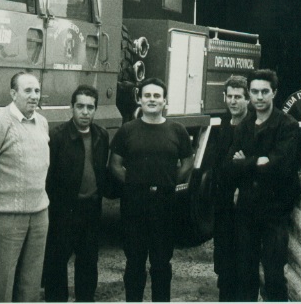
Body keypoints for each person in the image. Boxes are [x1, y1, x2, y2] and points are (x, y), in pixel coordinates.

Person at [109, 77, 194, 302]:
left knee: (161, 263)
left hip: (165, 204)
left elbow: (187, 161)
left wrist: (169, 181)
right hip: (134, 205)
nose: (152, 100)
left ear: (165, 100)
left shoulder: (177, 130)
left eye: (157, 96)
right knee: (134, 262)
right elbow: (115, 164)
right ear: (140, 99)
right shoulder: (127, 130)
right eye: (147, 95)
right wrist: (134, 182)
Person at [224, 69, 301, 301]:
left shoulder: (287, 126)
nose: (258, 97)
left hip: (274, 212)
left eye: (264, 92)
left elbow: (280, 167)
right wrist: (259, 161)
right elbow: (229, 167)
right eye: (254, 92)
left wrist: (245, 161)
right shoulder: (244, 125)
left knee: (274, 276)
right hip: (246, 211)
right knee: (246, 275)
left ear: (274, 93)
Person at [0, 71, 50, 302]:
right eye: (27, 90)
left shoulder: (42, 122)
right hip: (5, 214)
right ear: (13, 93)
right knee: (2, 280)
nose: (33, 96)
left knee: (31, 279)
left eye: (37, 91)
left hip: (39, 213)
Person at [43, 85, 110, 302]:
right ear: (72, 107)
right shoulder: (57, 136)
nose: (85, 112)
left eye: (90, 107)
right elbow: (49, 177)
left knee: (88, 264)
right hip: (63, 211)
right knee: (56, 265)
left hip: (91, 211)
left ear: (95, 109)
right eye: (80, 106)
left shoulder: (101, 135)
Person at [203, 75, 250, 301]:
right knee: (223, 260)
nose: (233, 101)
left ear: (247, 99)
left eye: (238, 97)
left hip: (242, 206)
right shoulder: (222, 124)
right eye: (230, 96)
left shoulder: (253, 128)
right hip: (222, 204)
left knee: (243, 262)